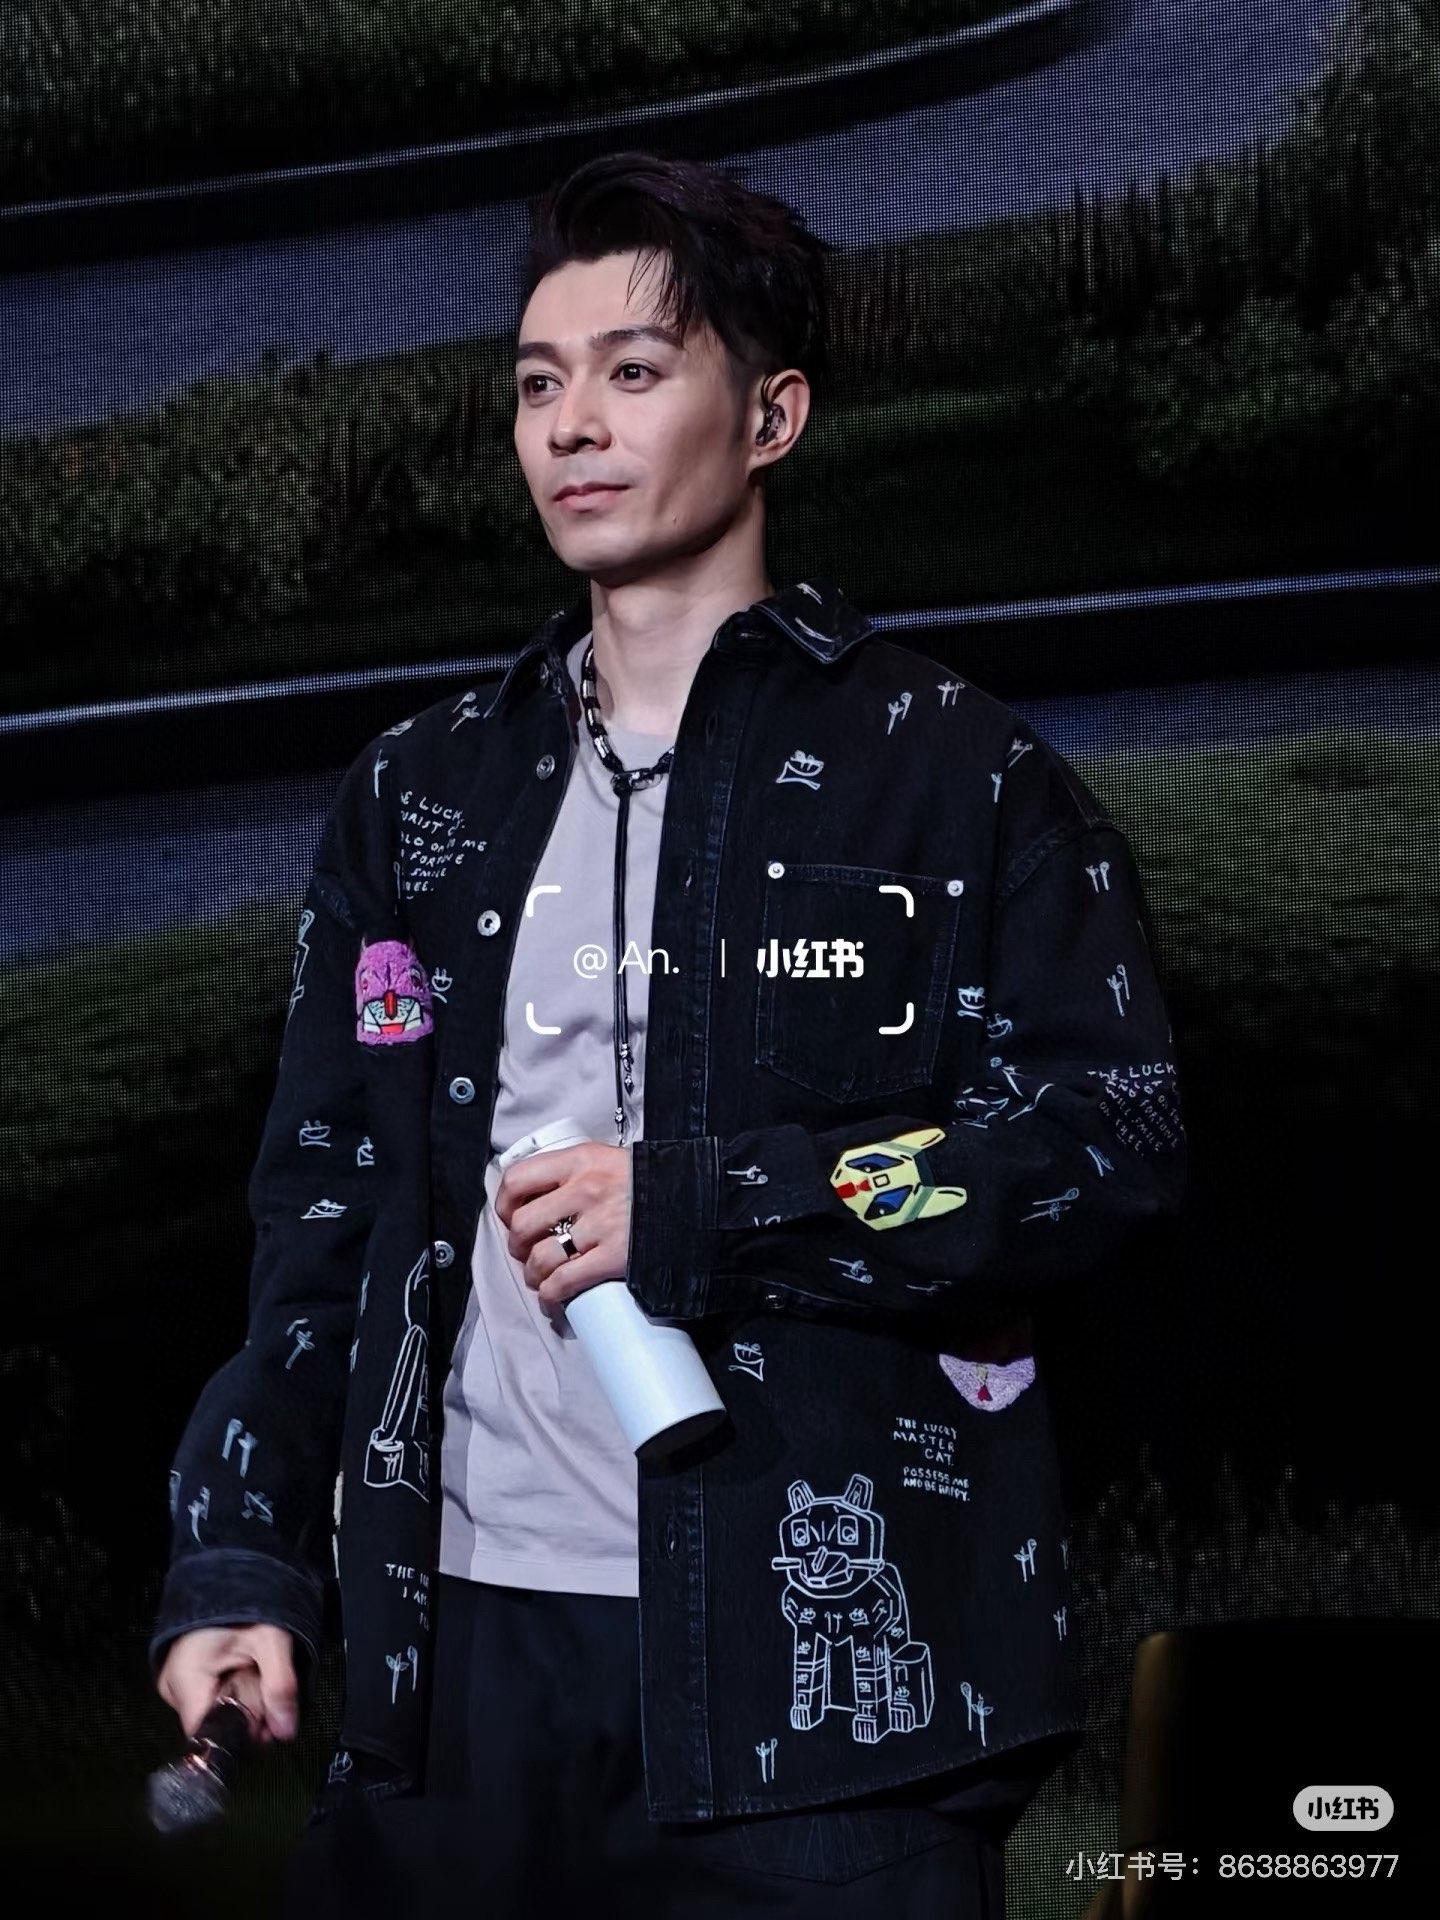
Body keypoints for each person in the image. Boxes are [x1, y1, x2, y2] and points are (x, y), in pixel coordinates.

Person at [151, 149, 1187, 1915]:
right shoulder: (420, 796)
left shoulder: (957, 772)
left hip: (826, 1709)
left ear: (772, 415)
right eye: (537, 383)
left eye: (634, 371)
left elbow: (1109, 1149)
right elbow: (324, 1218)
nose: (572, 425)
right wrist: (243, 1554)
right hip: (456, 1683)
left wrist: (715, 1202)